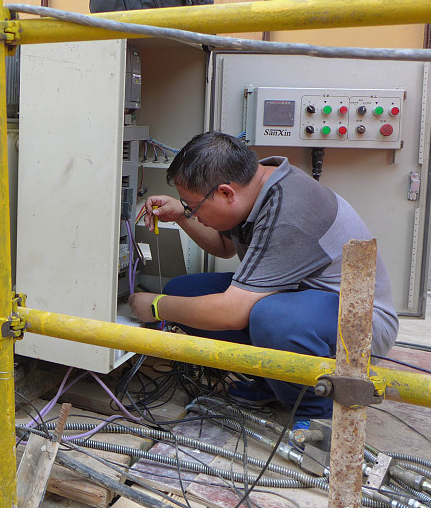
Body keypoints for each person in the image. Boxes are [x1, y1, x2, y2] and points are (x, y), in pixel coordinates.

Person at [128, 131, 398, 422]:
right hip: (301, 301)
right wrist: (182, 215)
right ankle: (276, 382)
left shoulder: (290, 210)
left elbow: (231, 313)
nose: (193, 213)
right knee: (184, 292)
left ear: (225, 193)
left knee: (270, 318)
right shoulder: (257, 186)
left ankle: (316, 414)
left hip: (359, 326)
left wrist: (156, 306)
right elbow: (224, 246)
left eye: (193, 206)